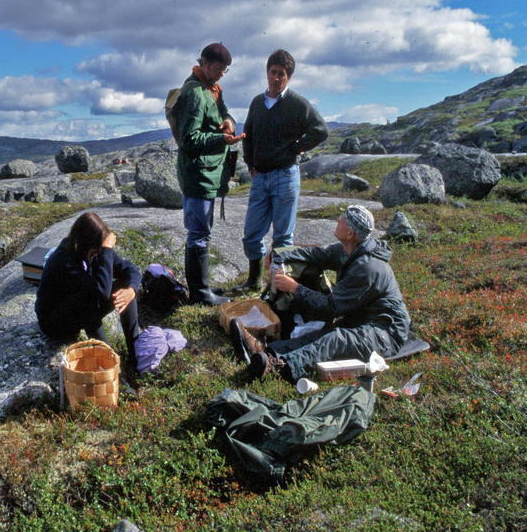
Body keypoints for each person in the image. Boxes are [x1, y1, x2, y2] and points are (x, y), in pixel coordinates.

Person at [231, 205, 412, 383]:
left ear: (350, 234)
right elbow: (315, 254)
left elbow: (330, 307)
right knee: (323, 335)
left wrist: (295, 288)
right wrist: (280, 255)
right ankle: (264, 349)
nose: (337, 220)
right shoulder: (347, 249)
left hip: (386, 332)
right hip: (360, 320)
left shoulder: (367, 268)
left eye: (342, 220)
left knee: (336, 339)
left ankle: (278, 366)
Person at [234, 49, 329, 292]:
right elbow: (248, 135)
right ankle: (254, 281)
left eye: (282, 74)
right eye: (273, 72)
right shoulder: (257, 102)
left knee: (282, 239)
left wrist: (298, 147)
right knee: (251, 234)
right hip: (261, 177)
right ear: (267, 73)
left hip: (285, 176)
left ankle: (276, 289)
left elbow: (321, 130)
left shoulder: (297, 104)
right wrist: (250, 164)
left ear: (289, 78)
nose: (276, 78)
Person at [176, 42, 243, 305]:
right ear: (204, 64)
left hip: (207, 173)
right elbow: (189, 139)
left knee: (202, 231)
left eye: (225, 70)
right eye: (217, 68)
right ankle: (200, 294)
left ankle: (202, 290)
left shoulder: (212, 89)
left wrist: (228, 122)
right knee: (199, 232)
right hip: (198, 174)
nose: (221, 74)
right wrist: (220, 139)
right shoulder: (195, 92)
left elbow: (223, 112)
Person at [35, 212, 141, 375]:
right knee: (88, 298)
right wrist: (105, 251)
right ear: (84, 243)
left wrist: (131, 289)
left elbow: (130, 270)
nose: (97, 253)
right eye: (96, 250)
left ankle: (135, 355)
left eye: (100, 249)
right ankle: (109, 359)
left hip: (80, 308)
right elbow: (101, 292)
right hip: (55, 321)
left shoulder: (97, 250)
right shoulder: (63, 260)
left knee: (124, 290)